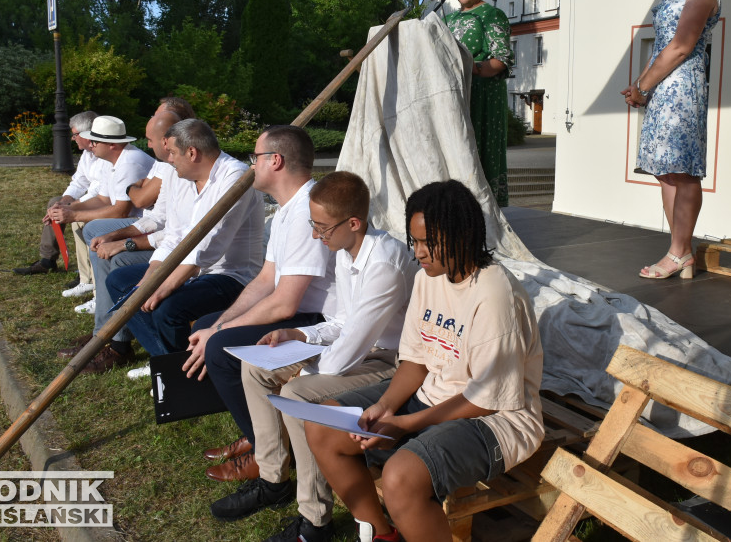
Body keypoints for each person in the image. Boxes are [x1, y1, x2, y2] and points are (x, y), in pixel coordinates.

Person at [306, 180, 544, 542]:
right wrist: (385, 407)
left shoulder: (495, 294)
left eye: (429, 243)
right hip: (434, 397)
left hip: (499, 419)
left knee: (401, 477)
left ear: (462, 235)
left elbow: (486, 398)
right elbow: (416, 362)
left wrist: (406, 423)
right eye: (414, 241)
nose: (419, 253)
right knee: (322, 424)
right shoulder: (426, 280)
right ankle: (383, 535)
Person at [208, 172, 418, 542]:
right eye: (313, 225)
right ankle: (273, 478)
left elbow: (346, 353)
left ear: (353, 223)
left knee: (296, 395)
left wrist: (303, 368)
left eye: (321, 228)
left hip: (391, 360)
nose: (315, 235)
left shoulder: (383, 263)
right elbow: (341, 321)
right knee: (255, 365)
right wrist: (300, 335)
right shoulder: (347, 247)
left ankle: (315, 518)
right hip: (362, 349)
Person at [184, 125, 337, 482]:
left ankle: (267, 447)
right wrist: (217, 323)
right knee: (204, 325)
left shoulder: (306, 211)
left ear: (276, 161)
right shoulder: (287, 209)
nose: (251, 165)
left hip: (320, 320)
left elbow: (284, 304)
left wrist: (219, 332)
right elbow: (265, 281)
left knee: (220, 347)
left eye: (255, 157)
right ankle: (260, 431)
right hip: (299, 308)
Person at [100, 119, 265, 372]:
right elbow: (175, 235)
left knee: (168, 308)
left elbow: (210, 245)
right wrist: (150, 276)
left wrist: (164, 286)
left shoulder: (236, 176)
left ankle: (177, 370)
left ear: (192, 152)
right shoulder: (183, 177)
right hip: (192, 270)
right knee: (120, 281)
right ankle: (170, 363)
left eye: (173, 153)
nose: (169, 159)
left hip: (231, 275)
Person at [620, 0, 720, 280]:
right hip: (664, 86)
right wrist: (641, 84)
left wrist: (645, 86)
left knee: (682, 170)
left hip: (682, 88)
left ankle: (678, 252)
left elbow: (680, 47)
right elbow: (663, 47)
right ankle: (682, 251)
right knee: (666, 171)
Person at [56, 110, 181, 363]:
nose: (89, 145)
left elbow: (135, 202)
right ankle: (104, 335)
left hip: (180, 251)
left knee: (113, 256)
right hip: (157, 232)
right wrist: (72, 207)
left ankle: (114, 341)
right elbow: (151, 212)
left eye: (94, 141)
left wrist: (124, 241)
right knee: (98, 237)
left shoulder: (151, 163)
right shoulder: (166, 164)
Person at [444, 0, 514, 207]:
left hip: (484, 97)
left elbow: (502, 59)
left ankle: (486, 220)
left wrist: (472, 67)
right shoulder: (447, 20)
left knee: (481, 153)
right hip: (457, 97)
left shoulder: (492, 15)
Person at [14, 110, 100, 277]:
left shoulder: (104, 154)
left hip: (104, 203)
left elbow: (99, 191)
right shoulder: (87, 154)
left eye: (74, 134)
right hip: (94, 198)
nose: (72, 138)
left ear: (87, 134)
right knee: (55, 201)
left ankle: (88, 272)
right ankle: (47, 260)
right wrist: (62, 203)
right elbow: (78, 182)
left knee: (71, 212)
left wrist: (69, 206)